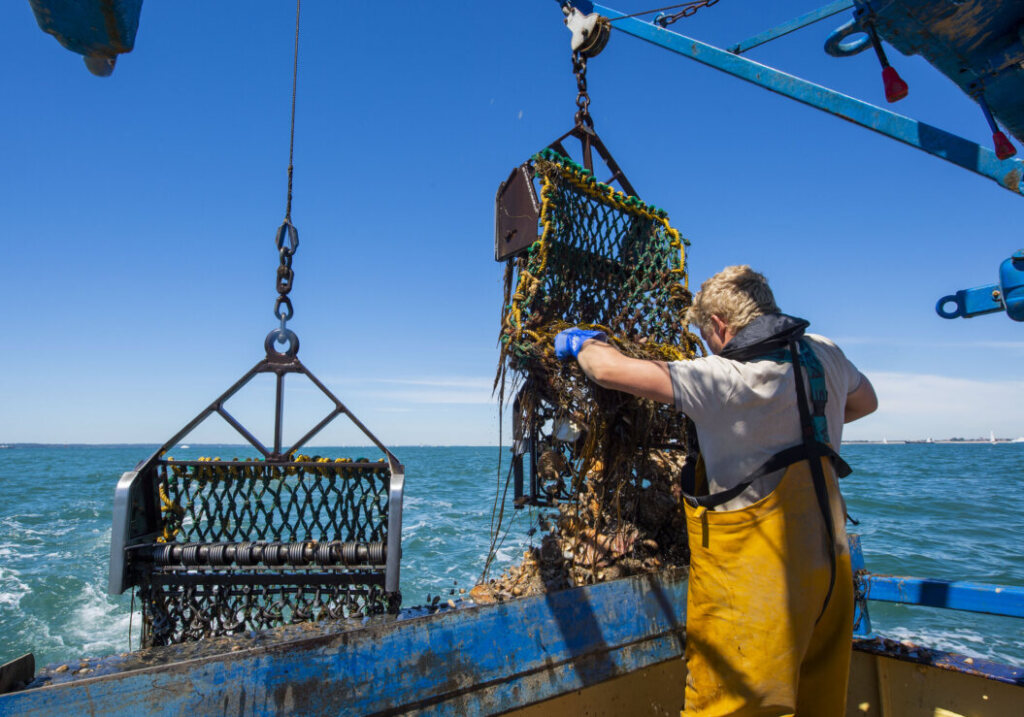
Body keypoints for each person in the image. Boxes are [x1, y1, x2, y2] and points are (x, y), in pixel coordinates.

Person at [554, 265, 877, 716]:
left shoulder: (722, 379)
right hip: (831, 573)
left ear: (720, 327)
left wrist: (581, 344)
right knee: (817, 703)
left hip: (760, 587)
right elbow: (867, 402)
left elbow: (608, 371)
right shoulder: (826, 353)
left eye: (706, 336)